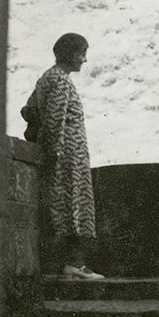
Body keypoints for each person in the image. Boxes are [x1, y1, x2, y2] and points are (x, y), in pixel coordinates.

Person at [21, 32, 103, 280]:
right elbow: (56, 121)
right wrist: (54, 155)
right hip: (67, 157)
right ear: (69, 54)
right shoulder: (61, 81)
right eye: (82, 53)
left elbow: (29, 110)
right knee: (73, 209)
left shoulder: (48, 77)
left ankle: (71, 264)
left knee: (63, 209)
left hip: (63, 154)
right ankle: (75, 264)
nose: (85, 60)